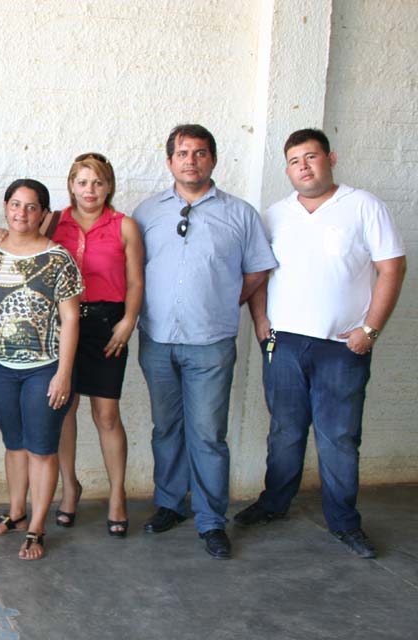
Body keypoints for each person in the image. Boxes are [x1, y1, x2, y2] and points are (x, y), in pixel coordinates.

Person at [234, 129, 406, 558]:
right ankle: (275, 503)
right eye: (294, 161)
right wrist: (261, 323)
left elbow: (392, 268)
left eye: (311, 157)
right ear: (287, 169)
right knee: (285, 432)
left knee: (339, 437)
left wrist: (370, 329)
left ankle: (344, 521)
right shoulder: (276, 214)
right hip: (284, 344)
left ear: (330, 158)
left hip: (341, 347)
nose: (303, 167)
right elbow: (259, 273)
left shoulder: (363, 206)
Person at [133, 124, 277, 559]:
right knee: (166, 429)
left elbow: (257, 270)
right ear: (169, 161)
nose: (190, 160)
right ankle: (170, 504)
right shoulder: (147, 212)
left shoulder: (240, 214)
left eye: (199, 153)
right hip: (156, 339)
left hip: (210, 343)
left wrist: (223, 301)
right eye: (182, 153)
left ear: (213, 160)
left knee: (208, 434)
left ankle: (211, 520)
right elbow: (129, 268)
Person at [0, 179, 82, 561]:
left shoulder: (59, 259)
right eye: (15, 205)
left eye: (31, 207)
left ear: (43, 213)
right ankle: (17, 512)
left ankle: (37, 528)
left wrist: (64, 374)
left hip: (45, 369)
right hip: (1, 368)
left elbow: (71, 319)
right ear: (6, 207)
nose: (21, 213)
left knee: (41, 449)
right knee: (14, 445)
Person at [48, 153, 144, 537]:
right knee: (63, 410)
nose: (90, 190)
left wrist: (127, 322)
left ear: (110, 187)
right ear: (71, 184)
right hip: (64, 325)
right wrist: (2, 235)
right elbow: (26, 245)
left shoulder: (125, 227)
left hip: (108, 326)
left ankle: (117, 494)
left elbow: (136, 282)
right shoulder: (54, 222)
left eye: (99, 183)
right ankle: (70, 488)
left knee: (106, 416)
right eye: (83, 182)